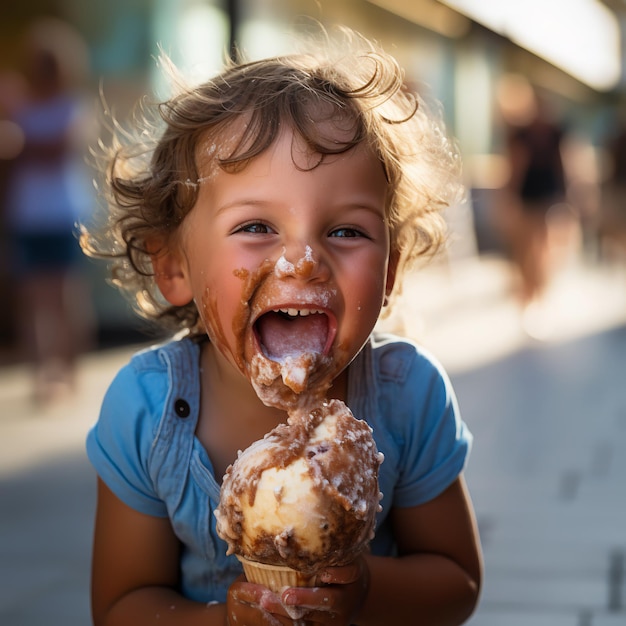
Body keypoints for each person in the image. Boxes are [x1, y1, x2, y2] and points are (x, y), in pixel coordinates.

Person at [81, 28, 482, 626]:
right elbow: (120, 604)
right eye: (255, 227)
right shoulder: (145, 413)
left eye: (346, 231)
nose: (302, 260)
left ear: (391, 269)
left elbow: (458, 582)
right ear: (173, 266)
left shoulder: (409, 396)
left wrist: (368, 590)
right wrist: (222, 621)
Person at [1, 18, 95, 403]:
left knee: (63, 296)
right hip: (27, 215)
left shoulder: (73, 106)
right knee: (34, 299)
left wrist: (21, 137)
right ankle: (44, 374)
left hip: (63, 214)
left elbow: (58, 147)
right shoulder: (18, 107)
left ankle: (69, 371)